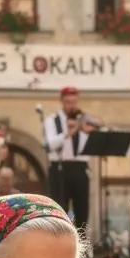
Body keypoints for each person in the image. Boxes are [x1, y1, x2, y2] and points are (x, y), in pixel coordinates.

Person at [44, 85, 91, 229]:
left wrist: (88, 131)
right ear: (62, 101)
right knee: (59, 208)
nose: (72, 106)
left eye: (74, 102)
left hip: (80, 167)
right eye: (68, 102)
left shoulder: (84, 120)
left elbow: (88, 145)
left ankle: (82, 242)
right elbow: (50, 144)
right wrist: (67, 134)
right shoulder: (52, 120)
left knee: (82, 209)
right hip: (59, 168)